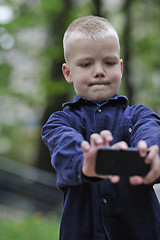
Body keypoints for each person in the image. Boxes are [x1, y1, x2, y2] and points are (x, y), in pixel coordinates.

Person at [41, 16, 160, 240]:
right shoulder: (58, 122)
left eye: (109, 62)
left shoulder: (140, 115)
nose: (99, 71)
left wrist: (152, 153)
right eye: (87, 64)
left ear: (121, 67)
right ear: (68, 72)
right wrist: (86, 159)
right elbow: (64, 146)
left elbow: (152, 132)